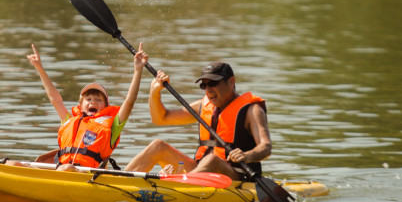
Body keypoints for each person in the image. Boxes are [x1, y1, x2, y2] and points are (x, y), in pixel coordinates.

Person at [124, 60, 271, 179]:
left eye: (213, 83)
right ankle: (119, 180)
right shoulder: (203, 106)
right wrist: (155, 92)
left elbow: (265, 146)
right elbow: (160, 118)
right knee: (158, 146)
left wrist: (247, 155)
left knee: (212, 160)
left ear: (231, 82)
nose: (208, 90)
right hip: (201, 172)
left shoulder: (252, 110)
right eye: (204, 85)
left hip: (237, 176)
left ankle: (177, 185)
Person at [26, 43, 147, 171]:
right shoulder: (69, 120)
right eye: (88, 99)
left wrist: (138, 71)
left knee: (66, 169)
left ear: (106, 106)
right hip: (62, 169)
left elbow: (129, 101)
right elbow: (55, 99)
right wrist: (39, 68)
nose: (92, 102)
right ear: (81, 105)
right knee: (13, 164)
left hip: (85, 175)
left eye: (98, 100)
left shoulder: (113, 126)